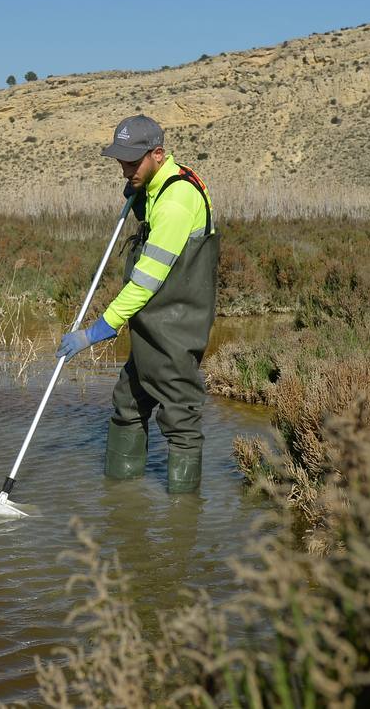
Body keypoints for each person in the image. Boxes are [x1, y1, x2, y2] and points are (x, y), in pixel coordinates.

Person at [56, 114, 219, 493]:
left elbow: (145, 280)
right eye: (121, 162)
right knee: (128, 403)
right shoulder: (159, 185)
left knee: (180, 421)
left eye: (132, 163)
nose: (124, 170)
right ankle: (121, 503)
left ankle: (182, 522)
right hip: (152, 324)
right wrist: (140, 197)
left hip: (177, 326)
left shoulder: (178, 200)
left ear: (158, 154)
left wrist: (100, 329)